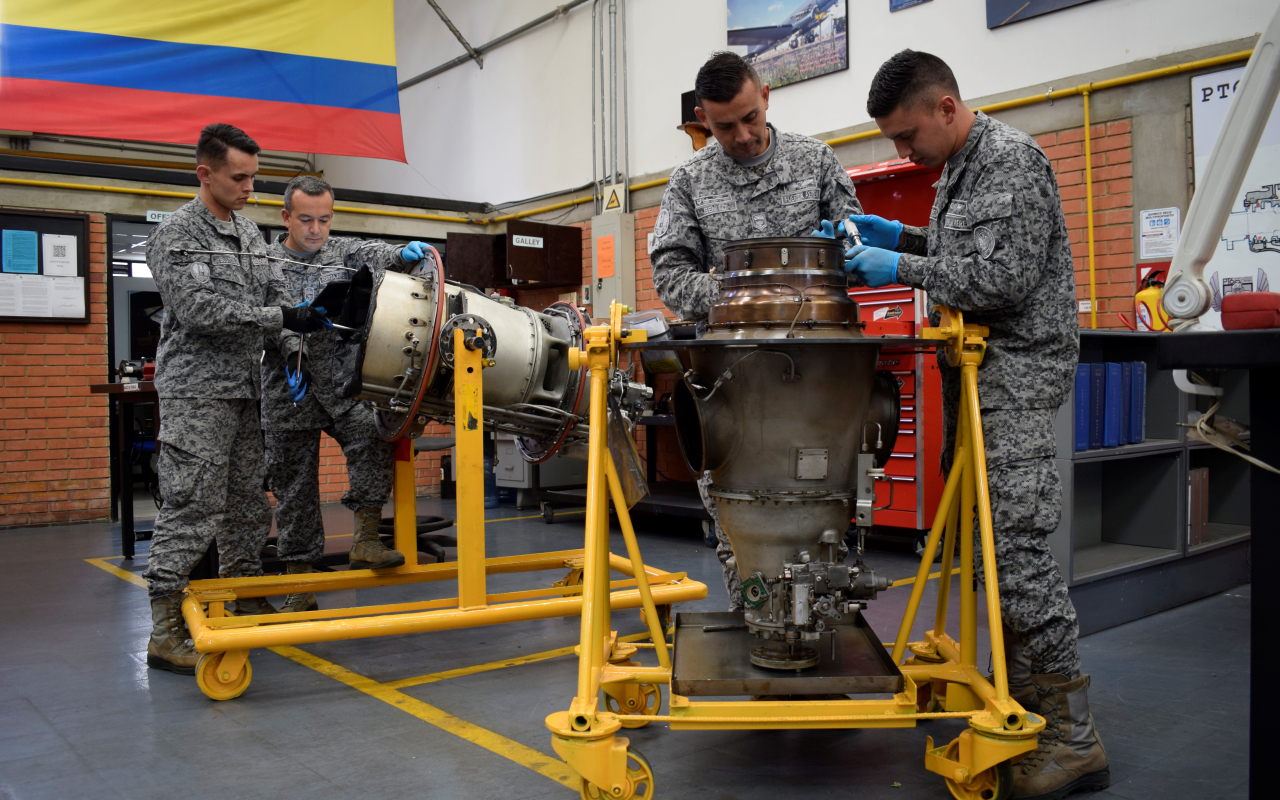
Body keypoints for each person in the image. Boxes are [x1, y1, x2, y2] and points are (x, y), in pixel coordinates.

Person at [834, 50, 1106, 799]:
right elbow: (963, 254)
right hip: (977, 386)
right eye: (894, 141)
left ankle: (1073, 740)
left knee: (1016, 563)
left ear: (947, 108)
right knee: (989, 560)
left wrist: (897, 264)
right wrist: (901, 233)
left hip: (1013, 386)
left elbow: (1000, 280)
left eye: (907, 135)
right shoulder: (962, 164)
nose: (903, 151)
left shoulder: (1012, 162)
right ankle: (1027, 712)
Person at [650, 51, 865, 613]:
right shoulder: (689, 182)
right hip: (731, 383)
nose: (742, 135)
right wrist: (742, 302)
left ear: (766, 95)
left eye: (750, 117)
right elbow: (670, 275)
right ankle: (757, 633)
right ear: (703, 117)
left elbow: (856, 250)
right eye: (724, 125)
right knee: (739, 522)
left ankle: (827, 643)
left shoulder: (816, 162)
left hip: (818, 382)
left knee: (828, 513)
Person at [144, 123, 330, 673]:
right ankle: (164, 627)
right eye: (239, 177)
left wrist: (301, 333)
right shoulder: (176, 234)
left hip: (247, 391)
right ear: (205, 174)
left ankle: (242, 593)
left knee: (248, 502)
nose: (251, 186)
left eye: (255, 176)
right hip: (197, 393)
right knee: (192, 505)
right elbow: (200, 311)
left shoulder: (250, 236)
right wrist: (280, 317)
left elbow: (274, 299)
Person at [261, 175, 433, 613]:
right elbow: (264, 318)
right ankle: (299, 582)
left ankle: (367, 538)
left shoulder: (340, 252)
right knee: (294, 485)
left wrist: (399, 253)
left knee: (371, 433)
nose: (316, 229)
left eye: (324, 219)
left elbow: (369, 252)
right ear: (286, 218)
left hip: (340, 383)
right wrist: (289, 343)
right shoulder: (263, 263)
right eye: (305, 220)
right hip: (289, 388)